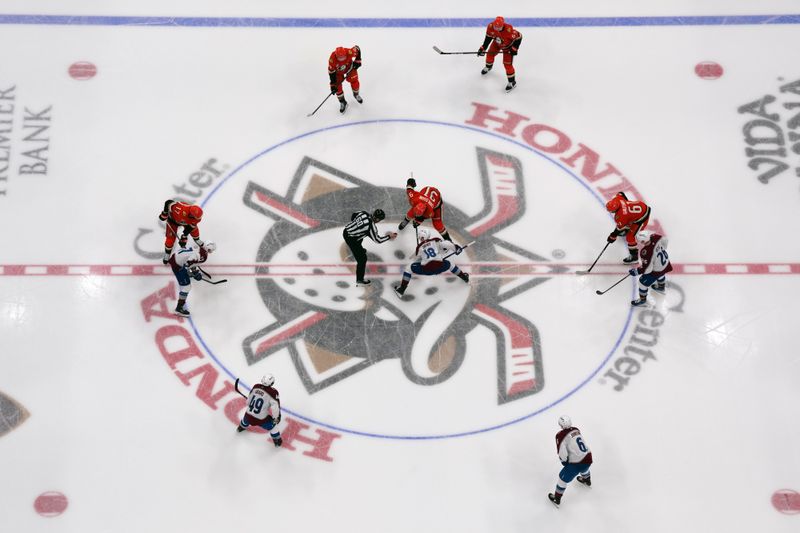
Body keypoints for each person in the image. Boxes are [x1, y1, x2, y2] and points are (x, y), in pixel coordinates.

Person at [393, 229, 469, 298]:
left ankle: (401, 289)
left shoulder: (419, 248)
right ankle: (464, 277)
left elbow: (416, 259)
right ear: (428, 236)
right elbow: (447, 244)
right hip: (440, 266)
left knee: (408, 269)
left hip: (427, 270)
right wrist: (456, 248)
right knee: (450, 265)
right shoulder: (435, 241)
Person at [343, 208, 397, 285]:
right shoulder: (371, 227)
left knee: (361, 237)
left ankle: (360, 249)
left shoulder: (363, 213)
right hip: (352, 240)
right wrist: (389, 237)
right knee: (362, 259)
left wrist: (356, 226)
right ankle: (360, 280)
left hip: (346, 231)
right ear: (378, 219)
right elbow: (378, 240)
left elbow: (354, 215)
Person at [548, 415, 593, 508]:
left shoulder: (560, 435)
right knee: (584, 467)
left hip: (577, 463)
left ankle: (557, 498)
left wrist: (564, 462)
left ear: (560, 425)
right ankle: (587, 479)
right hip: (588, 456)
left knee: (562, 478)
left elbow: (562, 453)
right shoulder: (576, 429)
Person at [168, 241, 216, 317]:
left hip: (175, 257)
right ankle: (179, 309)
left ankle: (179, 307)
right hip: (177, 265)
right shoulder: (203, 255)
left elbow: (191, 259)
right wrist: (193, 274)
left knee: (187, 283)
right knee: (187, 287)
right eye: (211, 251)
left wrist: (194, 271)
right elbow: (188, 263)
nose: (211, 252)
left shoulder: (199, 246)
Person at [398, 177, 453, 242]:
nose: (415, 214)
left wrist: (418, 221)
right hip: (425, 193)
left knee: (437, 224)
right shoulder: (414, 198)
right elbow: (409, 190)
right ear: (415, 205)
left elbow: (426, 216)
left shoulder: (429, 212)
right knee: (411, 213)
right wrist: (410, 183)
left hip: (437, 202)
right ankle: (406, 221)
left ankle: (448, 240)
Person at [478, 16, 523, 92]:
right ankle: (488, 67)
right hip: (496, 43)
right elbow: (488, 38)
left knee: (507, 64)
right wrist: (483, 48)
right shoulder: (490, 26)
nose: (496, 29)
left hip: (508, 48)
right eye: (495, 27)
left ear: (503, 25)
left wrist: (514, 48)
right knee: (489, 54)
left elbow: (519, 37)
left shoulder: (509, 29)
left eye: (499, 27)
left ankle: (512, 82)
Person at [236, 374, 283, 447]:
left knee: (247, 417)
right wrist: (276, 418)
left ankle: (241, 427)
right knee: (273, 426)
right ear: (272, 383)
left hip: (248, 416)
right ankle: (277, 441)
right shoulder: (273, 392)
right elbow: (275, 408)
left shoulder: (256, 386)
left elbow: (248, 402)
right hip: (261, 419)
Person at [628, 230, 673, 307]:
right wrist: (663, 248)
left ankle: (643, 300)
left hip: (657, 270)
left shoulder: (645, 252)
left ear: (642, 241)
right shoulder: (655, 237)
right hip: (665, 263)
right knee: (661, 273)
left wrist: (637, 271)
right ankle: (661, 287)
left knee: (642, 283)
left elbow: (647, 269)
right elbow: (665, 239)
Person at [605, 191, 651, 264]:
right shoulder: (618, 198)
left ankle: (634, 257)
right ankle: (629, 227)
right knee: (627, 223)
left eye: (611, 211)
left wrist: (612, 236)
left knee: (630, 237)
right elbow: (621, 193)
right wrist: (626, 202)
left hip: (642, 217)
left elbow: (618, 229)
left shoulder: (621, 215)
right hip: (641, 206)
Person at [159, 200, 205, 264]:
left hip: (186, 222)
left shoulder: (197, 218)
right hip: (173, 221)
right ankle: (167, 253)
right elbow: (168, 202)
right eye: (196, 218)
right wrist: (164, 213)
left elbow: (191, 227)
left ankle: (197, 239)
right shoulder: (179, 209)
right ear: (191, 214)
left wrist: (184, 236)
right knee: (170, 239)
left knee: (194, 230)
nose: (198, 219)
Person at [328, 45, 363, 114]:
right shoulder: (332, 59)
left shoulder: (349, 52)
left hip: (349, 69)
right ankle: (342, 102)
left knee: (354, 81)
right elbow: (331, 72)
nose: (342, 59)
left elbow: (357, 48)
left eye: (343, 57)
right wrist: (333, 84)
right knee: (337, 87)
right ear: (336, 56)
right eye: (340, 58)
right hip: (338, 73)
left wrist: (358, 60)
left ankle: (356, 94)